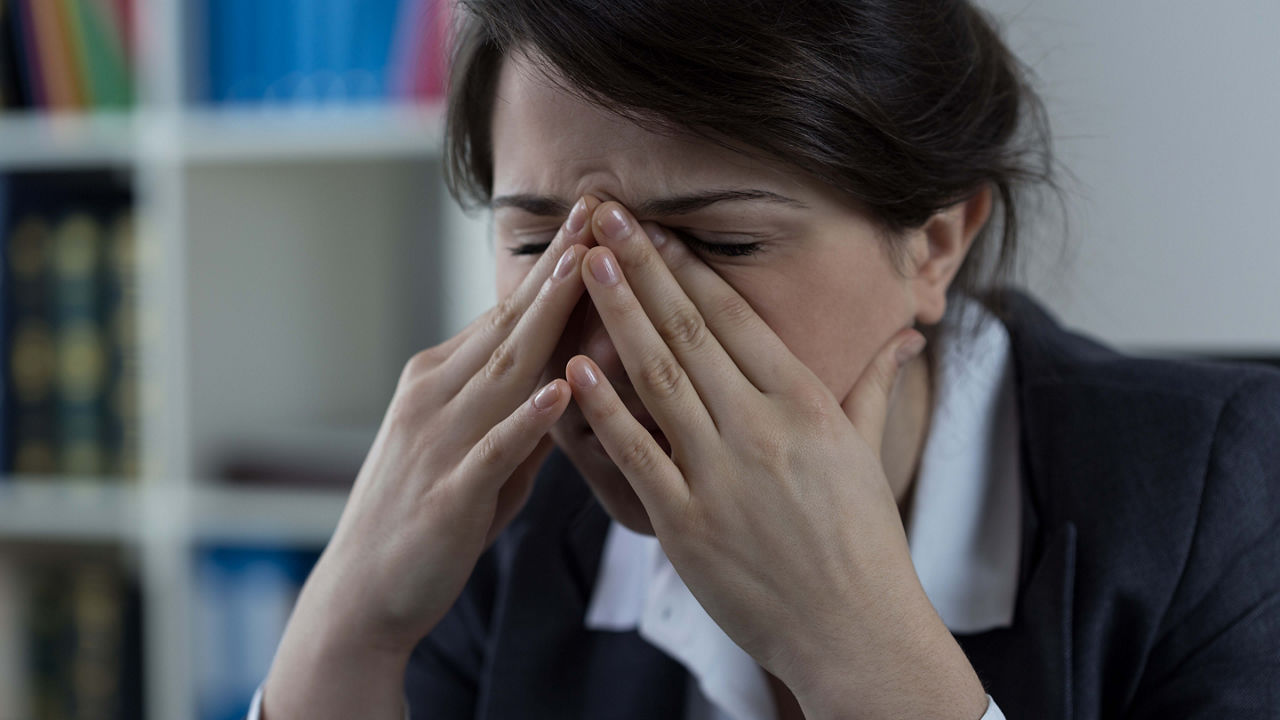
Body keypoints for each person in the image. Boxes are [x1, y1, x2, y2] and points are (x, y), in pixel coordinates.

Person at [253, 1, 1280, 718]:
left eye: (720, 245)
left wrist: (859, 657)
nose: (608, 348)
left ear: (933, 243)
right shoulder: (511, 521)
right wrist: (346, 635)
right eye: (538, 245)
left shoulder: (1225, 498)